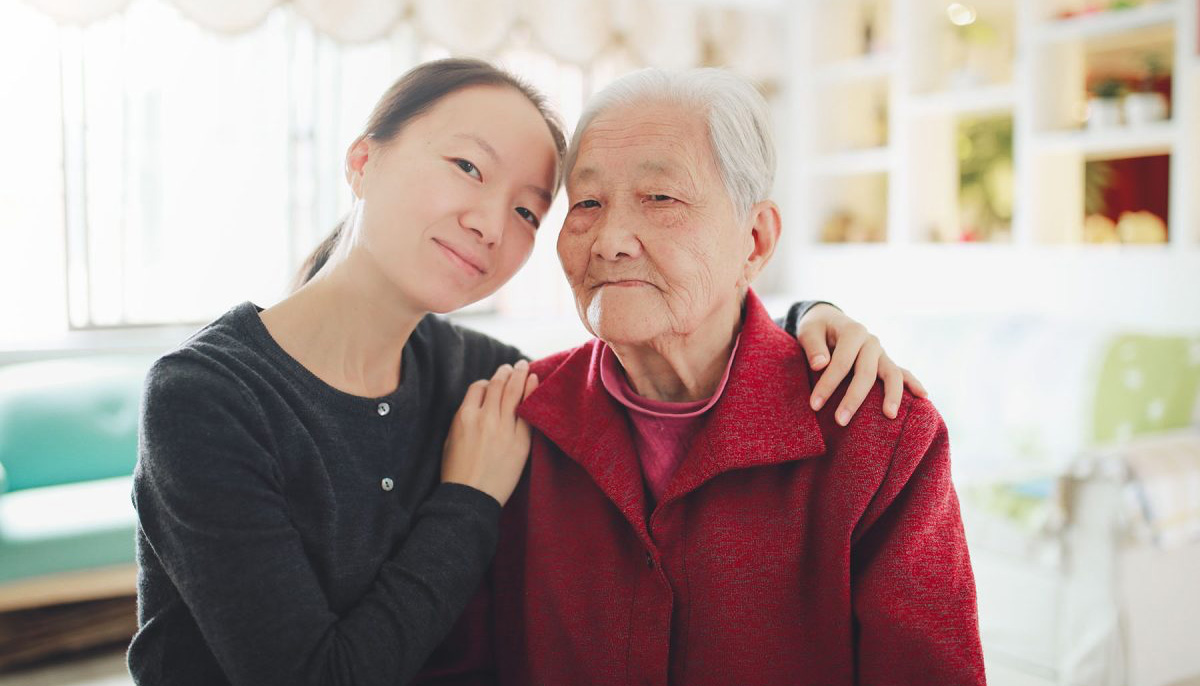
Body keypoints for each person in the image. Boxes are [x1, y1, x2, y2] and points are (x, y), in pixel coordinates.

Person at [128, 58, 923, 686]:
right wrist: (467, 500)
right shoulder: (205, 398)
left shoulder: (487, 378)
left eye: (527, 210)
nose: (487, 223)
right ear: (363, 160)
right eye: (468, 168)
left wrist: (808, 321)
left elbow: (686, 327)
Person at [419, 68, 984, 685]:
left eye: (661, 198)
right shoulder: (516, 423)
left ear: (755, 239)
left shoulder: (878, 440)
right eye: (586, 202)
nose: (609, 240)